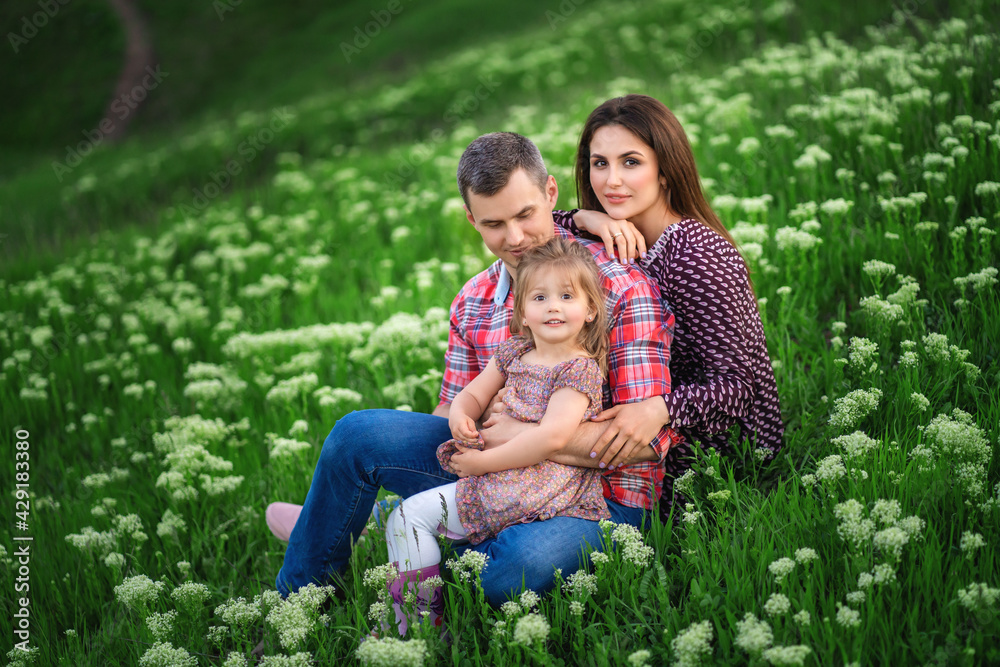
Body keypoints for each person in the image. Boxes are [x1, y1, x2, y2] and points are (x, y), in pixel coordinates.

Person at [267, 131, 680, 606]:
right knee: (356, 435)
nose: (516, 238)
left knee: (508, 573)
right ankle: (299, 601)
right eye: (494, 224)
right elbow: (450, 413)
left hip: (594, 502)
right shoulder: (473, 300)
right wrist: (466, 425)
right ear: (471, 220)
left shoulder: (618, 288)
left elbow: (644, 445)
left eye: (525, 214)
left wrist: (514, 435)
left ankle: (380, 529)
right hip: (492, 478)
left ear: (550, 194)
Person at [550, 94, 784, 509]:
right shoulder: (608, 237)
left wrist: (657, 409)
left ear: (664, 170)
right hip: (640, 426)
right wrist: (586, 217)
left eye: (631, 162)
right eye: (600, 163)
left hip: (716, 456)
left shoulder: (695, 254)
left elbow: (736, 388)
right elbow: (524, 229)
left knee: (525, 441)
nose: (611, 181)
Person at [379, 238, 611, 635]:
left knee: (408, 517)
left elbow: (551, 438)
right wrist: (461, 415)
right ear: (522, 310)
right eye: (540, 297)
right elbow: (472, 392)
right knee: (406, 518)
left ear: (590, 309)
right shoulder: (514, 351)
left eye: (566, 296)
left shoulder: (579, 370)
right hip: (499, 478)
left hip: (539, 486)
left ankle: (416, 626)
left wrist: (481, 463)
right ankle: (417, 624)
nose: (553, 305)